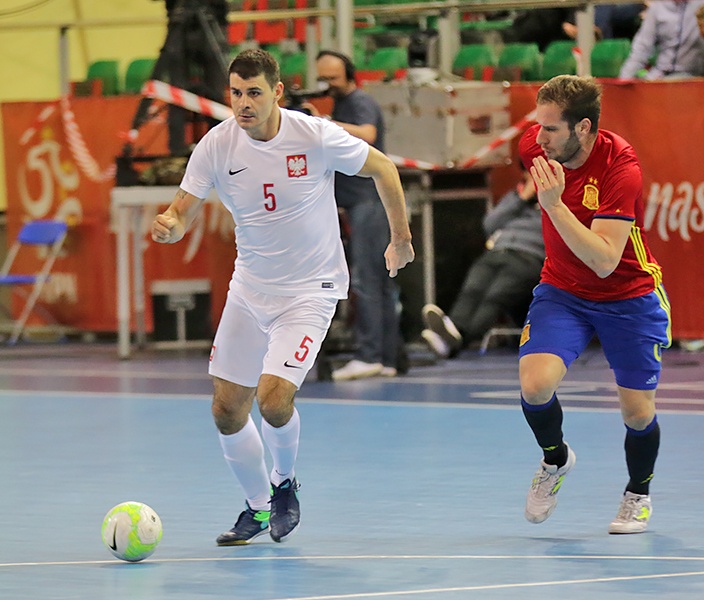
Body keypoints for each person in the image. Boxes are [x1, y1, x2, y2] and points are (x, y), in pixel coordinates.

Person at [151, 49, 414, 544]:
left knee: (273, 401)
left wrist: (399, 237)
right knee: (226, 409)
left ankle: (284, 484)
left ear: (276, 92)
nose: (243, 104)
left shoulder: (314, 135)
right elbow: (181, 208)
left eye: (253, 93)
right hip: (250, 288)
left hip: (310, 290)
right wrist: (170, 225)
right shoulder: (217, 145)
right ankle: (255, 507)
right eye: (235, 93)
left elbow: (385, 169)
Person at [516, 75, 672, 534]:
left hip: (627, 294)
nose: (538, 140)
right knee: (535, 385)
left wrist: (554, 205)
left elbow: (605, 260)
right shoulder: (539, 145)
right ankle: (555, 459)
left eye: (551, 130)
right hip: (563, 291)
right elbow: (534, 140)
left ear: (583, 128)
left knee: (637, 413)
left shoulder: (620, 168)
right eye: (538, 127)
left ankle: (637, 495)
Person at [302, 50, 404, 381]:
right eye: (323, 78)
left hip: (368, 203)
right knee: (378, 280)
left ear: (349, 76)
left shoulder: (359, 103)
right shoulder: (341, 105)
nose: (327, 84)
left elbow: (367, 134)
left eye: (333, 78)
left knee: (367, 279)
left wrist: (326, 125)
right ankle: (387, 357)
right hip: (361, 203)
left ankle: (370, 354)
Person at [421, 168, 545, 358]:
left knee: (493, 297)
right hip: (496, 252)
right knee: (472, 290)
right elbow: (490, 223)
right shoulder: (514, 198)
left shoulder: (556, 202)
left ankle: (457, 340)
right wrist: (521, 200)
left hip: (528, 258)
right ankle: (451, 334)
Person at [619, 0, 704, 81]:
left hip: (694, 76)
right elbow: (642, 47)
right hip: (660, 75)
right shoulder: (658, 7)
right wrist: (624, 79)